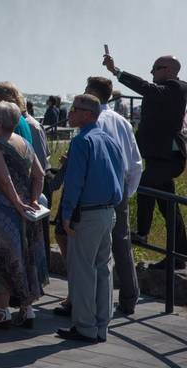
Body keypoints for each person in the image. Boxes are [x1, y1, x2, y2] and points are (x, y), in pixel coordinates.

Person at [105, 53, 187, 270]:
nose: (151, 72)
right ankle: (179, 254)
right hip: (159, 158)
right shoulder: (166, 90)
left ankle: (142, 233)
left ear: (169, 70)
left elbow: (148, 89)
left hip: (168, 159)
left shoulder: (177, 88)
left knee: (144, 186)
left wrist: (117, 72)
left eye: (155, 68)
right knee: (168, 207)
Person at [57, 94, 124, 343]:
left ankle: (84, 326)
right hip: (108, 211)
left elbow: (74, 183)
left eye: (74, 109)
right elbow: (121, 175)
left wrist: (66, 215)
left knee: (83, 271)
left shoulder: (82, 141)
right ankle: (101, 325)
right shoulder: (109, 140)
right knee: (103, 269)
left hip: (87, 213)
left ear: (87, 113)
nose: (70, 113)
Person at [0, 101, 48, 329]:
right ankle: (27, 309)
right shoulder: (25, 144)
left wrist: (18, 204)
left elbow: (3, 179)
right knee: (26, 257)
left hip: (2, 211)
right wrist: (32, 200)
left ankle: (2, 312)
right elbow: (40, 175)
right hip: (27, 213)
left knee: (2, 259)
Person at [85, 76, 142, 314]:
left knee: (93, 250)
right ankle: (129, 298)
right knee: (122, 245)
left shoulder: (94, 120)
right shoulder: (123, 122)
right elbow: (137, 164)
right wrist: (126, 193)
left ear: (91, 93)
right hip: (119, 189)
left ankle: (94, 304)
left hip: (96, 190)